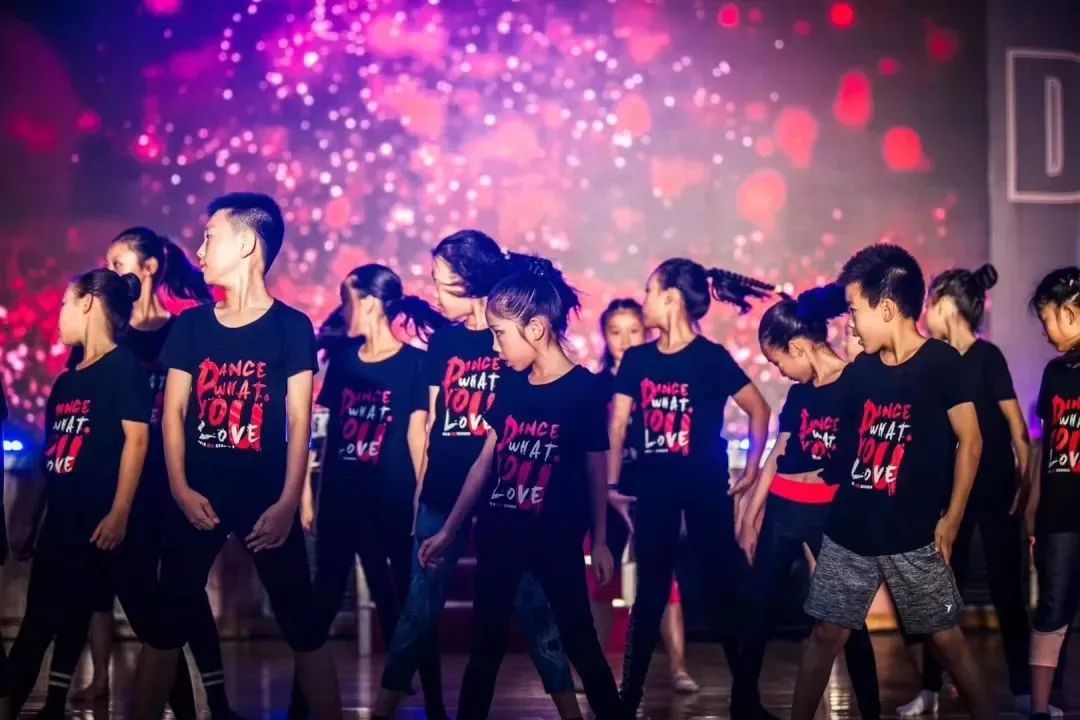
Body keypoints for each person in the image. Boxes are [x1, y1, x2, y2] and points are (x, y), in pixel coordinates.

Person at [129, 193, 341, 720]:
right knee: (163, 629)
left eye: (210, 238)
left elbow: (299, 421)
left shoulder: (291, 326)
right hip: (196, 498)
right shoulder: (192, 326)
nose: (200, 251)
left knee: (304, 628)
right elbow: (173, 413)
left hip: (267, 502)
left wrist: (288, 503)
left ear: (246, 243)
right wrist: (180, 489)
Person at [373, 229, 580, 720]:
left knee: (533, 607)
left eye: (441, 282)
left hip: (505, 492)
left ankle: (571, 710)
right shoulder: (443, 343)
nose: (435, 292)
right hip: (444, 489)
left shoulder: (511, 338)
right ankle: (382, 710)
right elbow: (432, 422)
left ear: (468, 281)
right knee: (418, 609)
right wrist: (422, 492)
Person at [790, 243, 992, 720]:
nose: (852, 323)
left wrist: (951, 520)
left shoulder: (941, 363)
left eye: (855, 310)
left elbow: (972, 442)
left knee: (947, 641)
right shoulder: (863, 369)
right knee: (825, 633)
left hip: (912, 533)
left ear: (885, 309)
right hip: (852, 528)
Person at [418, 257, 622, 718]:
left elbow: (596, 470)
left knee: (580, 640)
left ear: (535, 329)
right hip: (500, 533)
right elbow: (485, 462)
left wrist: (600, 540)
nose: (494, 347)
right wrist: (449, 530)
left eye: (499, 334)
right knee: (484, 648)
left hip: (556, 538)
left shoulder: (583, 390)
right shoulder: (510, 384)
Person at [0, 270, 197, 720]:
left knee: (154, 627)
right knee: (34, 630)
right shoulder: (66, 382)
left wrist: (120, 512)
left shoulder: (123, 367)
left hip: (112, 530)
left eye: (64, 305)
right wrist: (32, 518)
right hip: (62, 530)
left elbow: (137, 440)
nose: (58, 316)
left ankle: (188, 713)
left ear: (88, 303)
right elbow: (53, 457)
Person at [58, 228, 238, 717]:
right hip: (120, 485)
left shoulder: (183, 331)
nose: (112, 273)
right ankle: (120, 686)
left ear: (150, 267)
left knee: (183, 592)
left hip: (171, 481)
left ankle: (217, 701)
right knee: (117, 591)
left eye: (119, 263)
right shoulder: (107, 340)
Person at [609, 258, 772, 716]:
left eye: (648, 291)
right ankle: (628, 700)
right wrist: (612, 485)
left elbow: (759, 410)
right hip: (654, 491)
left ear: (670, 298)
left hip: (705, 488)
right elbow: (617, 424)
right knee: (651, 594)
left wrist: (751, 471)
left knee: (721, 592)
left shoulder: (710, 357)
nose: (644, 301)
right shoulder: (638, 359)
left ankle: (746, 702)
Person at [289, 264, 448, 719]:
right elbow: (325, 435)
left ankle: (435, 706)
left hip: (392, 506)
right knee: (320, 609)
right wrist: (307, 496)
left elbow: (418, 436)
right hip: (341, 505)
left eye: (347, 300)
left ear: (370, 303)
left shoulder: (414, 363)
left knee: (405, 609)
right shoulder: (343, 360)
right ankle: (299, 710)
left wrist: (423, 504)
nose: (343, 311)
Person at [735, 286, 881, 720]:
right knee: (757, 607)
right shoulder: (799, 394)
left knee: (847, 618)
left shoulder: (855, 383)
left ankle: (871, 710)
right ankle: (742, 705)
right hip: (784, 507)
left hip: (830, 512)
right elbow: (779, 452)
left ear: (798, 347)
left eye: (778, 361)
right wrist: (751, 513)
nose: (778, 370)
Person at [898, 264, 1033, 716]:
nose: (925, 313)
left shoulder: (987, 358)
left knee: (1007, 593)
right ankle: (930, 690)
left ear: (947, 307)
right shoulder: (936, 360)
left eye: (930, 304)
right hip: (949, 494)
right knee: (937, 596)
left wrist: (1025, 490)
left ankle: (1025, 691)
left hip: (995, 492)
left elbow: (1018, 429)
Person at [590, 299, 698, 693]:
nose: (624, 340)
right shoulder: (596, 386)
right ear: (604, 336)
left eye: (633, 331)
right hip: (608, 493)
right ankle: (594, 670)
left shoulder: (659, 378)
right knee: (603, 577)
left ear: (647, 331)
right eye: (615, 332)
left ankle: (679, 668)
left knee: (664, 580)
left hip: (653, 489)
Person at [1026, 267, 1080, 720]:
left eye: (1047, 319)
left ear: (1070, 312)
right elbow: (1046, 446)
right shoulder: (1054, 372)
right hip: (1059, 513)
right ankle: (1041, 709)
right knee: (1052, 607)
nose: (1045, 331)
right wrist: (1033, 503)